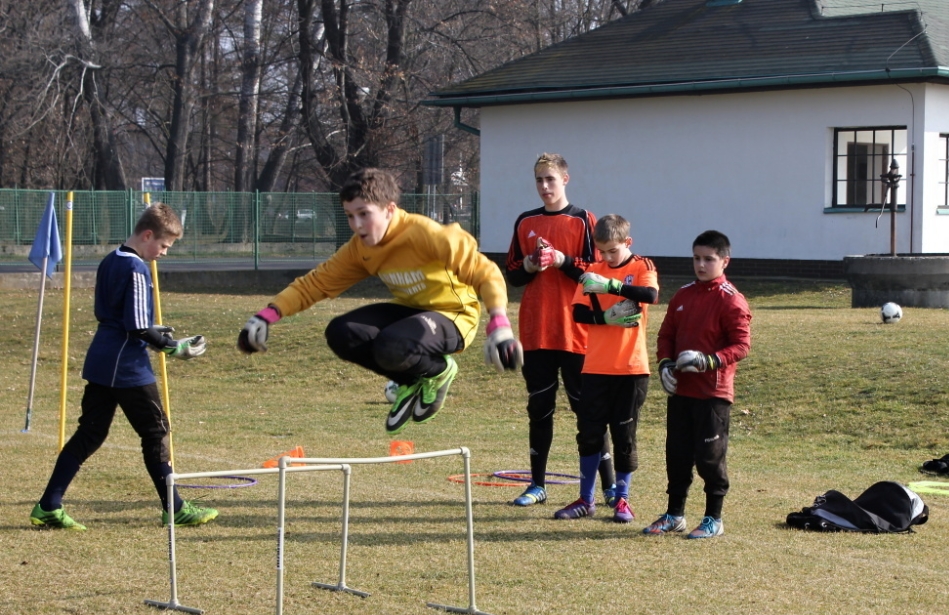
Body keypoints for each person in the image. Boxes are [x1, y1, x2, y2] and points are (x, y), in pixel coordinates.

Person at [237, 168, 521, 434]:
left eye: (364, 214)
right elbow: (316, 283)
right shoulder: (360, 248)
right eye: (349, 216)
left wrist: (499, 324)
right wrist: (267, 315)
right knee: (341, 332)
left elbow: (485, 271)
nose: (357, 225)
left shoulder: (425, 234)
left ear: (389, 209)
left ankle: (440, 371)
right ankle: (410, 382)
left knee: (393, 343)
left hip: (454, 315)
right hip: (410, 314)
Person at [30, 203, 217, 530]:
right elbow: (136, 328)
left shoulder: (110, 260)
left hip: (102, 358)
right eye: (163, 245)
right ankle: (175, 508)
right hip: (126, 364)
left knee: (90, 433)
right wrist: (176, 348)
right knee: (155, 430)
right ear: (147, 235)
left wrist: (157, 331)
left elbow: (123, 316)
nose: (164, 253)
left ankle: (49, 505)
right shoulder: (136, 269)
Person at [503, 153, 615, 508]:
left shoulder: (582, 220)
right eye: (539, 180)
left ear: (565, 179)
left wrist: (563, 260)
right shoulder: (525, 222)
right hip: (537, 331)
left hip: (576, 332)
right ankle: (537, 485)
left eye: (550, 179)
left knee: (589, 412)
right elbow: (513, 274)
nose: (544, 187)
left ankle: (610, 487)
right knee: (539, 409)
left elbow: (595, 273)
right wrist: (532, 264)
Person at [644, 230, 752, 539]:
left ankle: (713, 519)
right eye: (696, 258)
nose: (701, 265)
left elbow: (741, 346)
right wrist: (665, 363)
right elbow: (666, 335)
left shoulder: (731, 299)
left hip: (712, 394)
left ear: (724, 261)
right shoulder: (682, 295)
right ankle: (674, 514)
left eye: (708, 259)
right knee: (677, 456)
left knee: (709, 458)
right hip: (682, 392)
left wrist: (708, 360)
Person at [551, 214, 659, 523]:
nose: (606, 257)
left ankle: (622, 500)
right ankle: (586, 499)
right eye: (602, 251)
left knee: (624, 436)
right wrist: (605, 318)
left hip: (631, 369)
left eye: (613, 250)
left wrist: (612, 285)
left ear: (627, 242)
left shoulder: (641, 266)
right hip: (595, 367)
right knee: (589, 434)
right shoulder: (592, 271)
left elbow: (649, 296)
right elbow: (579, 313)